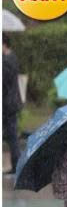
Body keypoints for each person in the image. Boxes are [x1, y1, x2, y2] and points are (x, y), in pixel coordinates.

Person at [3, 33, 23, 174]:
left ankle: (17, 165)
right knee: (11, 136)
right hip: (9, 104)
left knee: (12, 136)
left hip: (8, 105)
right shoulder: (10, 58)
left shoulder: (8, 60)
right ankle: (16, 165)